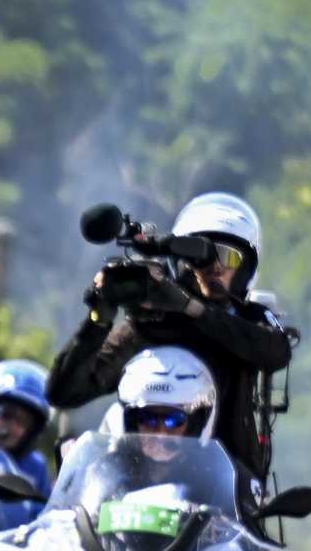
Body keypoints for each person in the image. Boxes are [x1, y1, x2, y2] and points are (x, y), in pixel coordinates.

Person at [47, 192, 290, 489]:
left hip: (225, 495)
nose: (215, 267)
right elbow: (65, 392)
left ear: (245, 268)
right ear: (183, 262)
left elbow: (276, 352)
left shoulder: (249, 318)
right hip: (136, 488)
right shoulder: (153, 322)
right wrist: (99, 319)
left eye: (228, 256)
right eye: (204, 256)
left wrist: (192, 309)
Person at [0, 359, 51, 496]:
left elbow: (45, 512)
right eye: (6, 414)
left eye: (23, 421)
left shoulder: (36, 467)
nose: (12, 426)